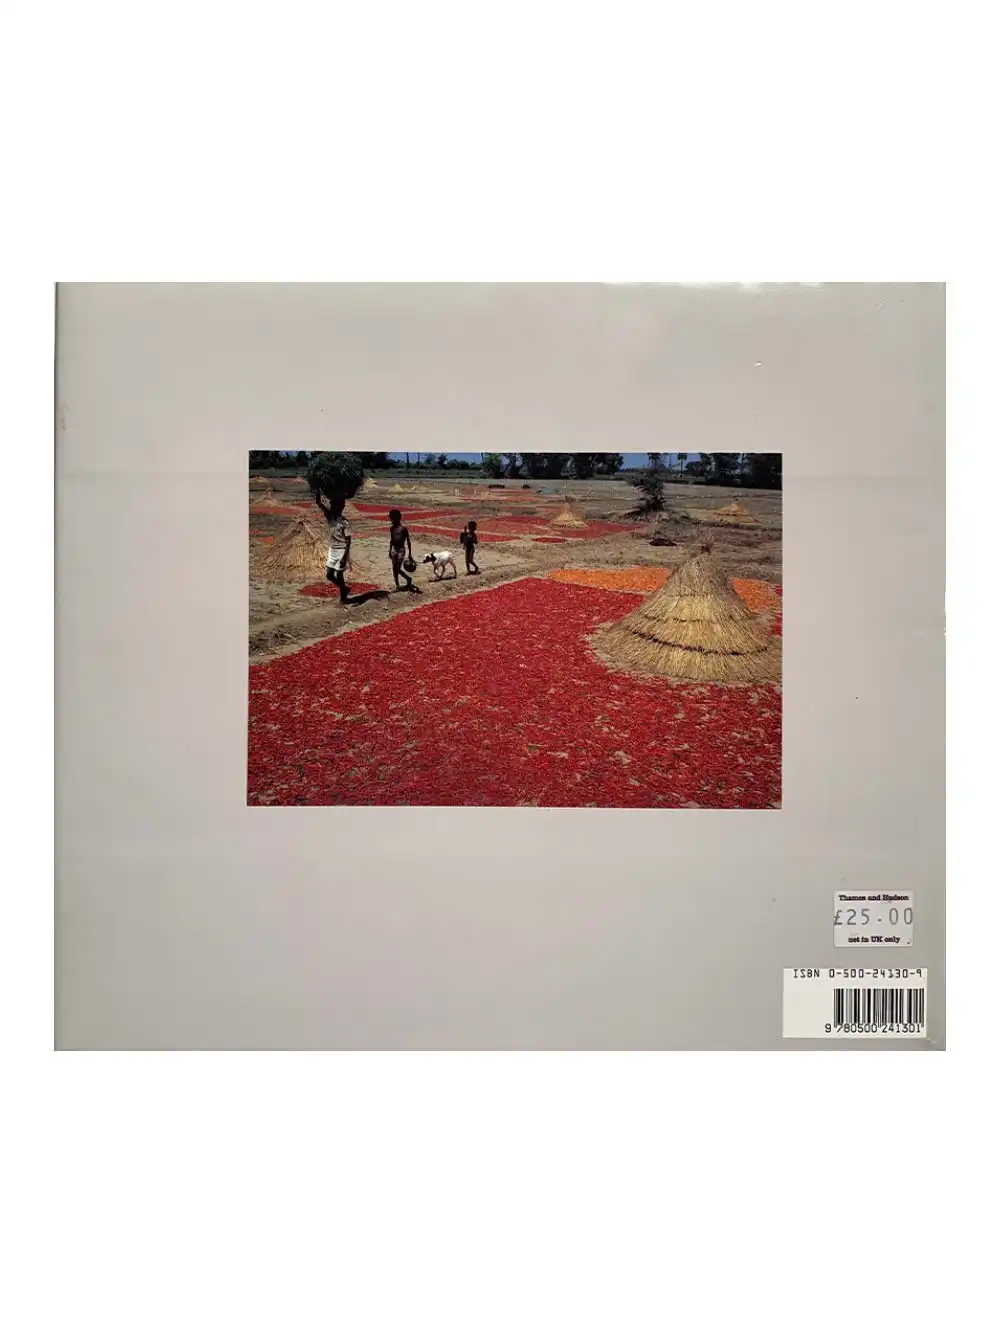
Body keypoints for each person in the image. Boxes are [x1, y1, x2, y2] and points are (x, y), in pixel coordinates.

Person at [315, 491, 352, 603]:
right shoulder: (330, 517)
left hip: (341, 550)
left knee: (339, 575)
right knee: (329, 575)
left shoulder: (345, 522)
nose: (331, 507)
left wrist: (344, 557)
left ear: (340, 508)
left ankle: (343, 598)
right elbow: (319, 503)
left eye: (334, 506)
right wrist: (317, 491)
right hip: (332, 549)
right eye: (331, 506)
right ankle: (344, 589)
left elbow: (348, 541)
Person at [388, 509, 418, 592]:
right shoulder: (392, 528)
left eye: (392, 518)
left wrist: (410, 554)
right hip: (394, 549)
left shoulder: (403, 529)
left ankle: (407, 578)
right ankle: (398, 586)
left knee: (396, 568)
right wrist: (389, 550)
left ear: (397, 518)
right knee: (394, 568)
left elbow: (408, 541)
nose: (391, 520)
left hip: (401, 550)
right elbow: (391, 540)